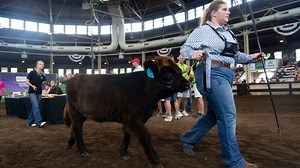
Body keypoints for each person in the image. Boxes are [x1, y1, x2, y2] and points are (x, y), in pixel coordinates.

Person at [180, 1, 262, 168]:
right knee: (228, 115)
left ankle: (188, 139)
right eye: (225, 9)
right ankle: (233, 161)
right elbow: (184, 49)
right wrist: (193, 53)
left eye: (229, 10)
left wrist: (250, 57)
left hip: (226, 74)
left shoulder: (228, 33)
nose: (228, 12)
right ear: (213, 13)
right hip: (211, 73)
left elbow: (235, 55)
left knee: (214, 115)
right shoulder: (202, 31)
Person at [26, 60, 47, 128]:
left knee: (35, 107)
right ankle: (39, 122)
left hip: (39, 92)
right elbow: (26, 81)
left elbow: (42, 83)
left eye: (43, 64)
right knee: (36, 106)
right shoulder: (32, 73)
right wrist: (32, 86)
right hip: (32, 92)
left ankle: (29, 122)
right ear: (37, 65)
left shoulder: (43, 74)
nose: (42, 65)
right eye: (40, 64)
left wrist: (45, 84)